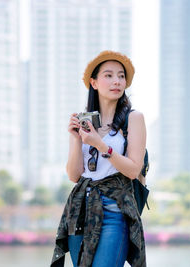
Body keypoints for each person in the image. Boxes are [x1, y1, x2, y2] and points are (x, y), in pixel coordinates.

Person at [51, 51, 147, 267]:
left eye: (121, 76)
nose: (117, 81)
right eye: (109, 75)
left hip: (114, 210)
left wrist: (100, 145)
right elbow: (74, 175)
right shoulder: (84, 121)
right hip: (80, 210)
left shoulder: (134, 118)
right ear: (93, 83)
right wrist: (76, 139)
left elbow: (132, 170)